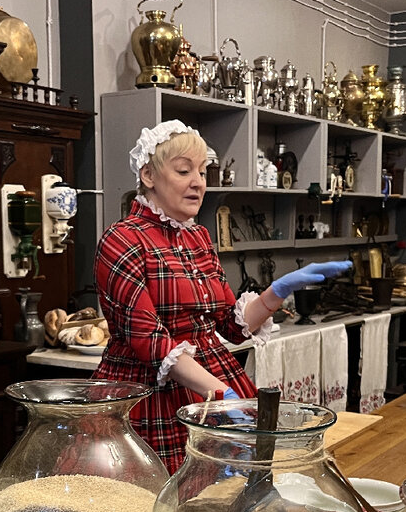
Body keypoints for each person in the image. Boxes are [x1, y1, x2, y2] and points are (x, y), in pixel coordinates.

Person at [93, 119, 353, 473]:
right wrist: (220, 395)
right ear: (148, 175)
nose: (198, 182)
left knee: (224, 497)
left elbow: (231, 325)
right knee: (155, 499)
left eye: (202, 171)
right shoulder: (121, 239)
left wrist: (277, 291)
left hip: (209, 380)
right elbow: (149, 341)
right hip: (146, 395)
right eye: (184, 170)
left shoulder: (198, 236)